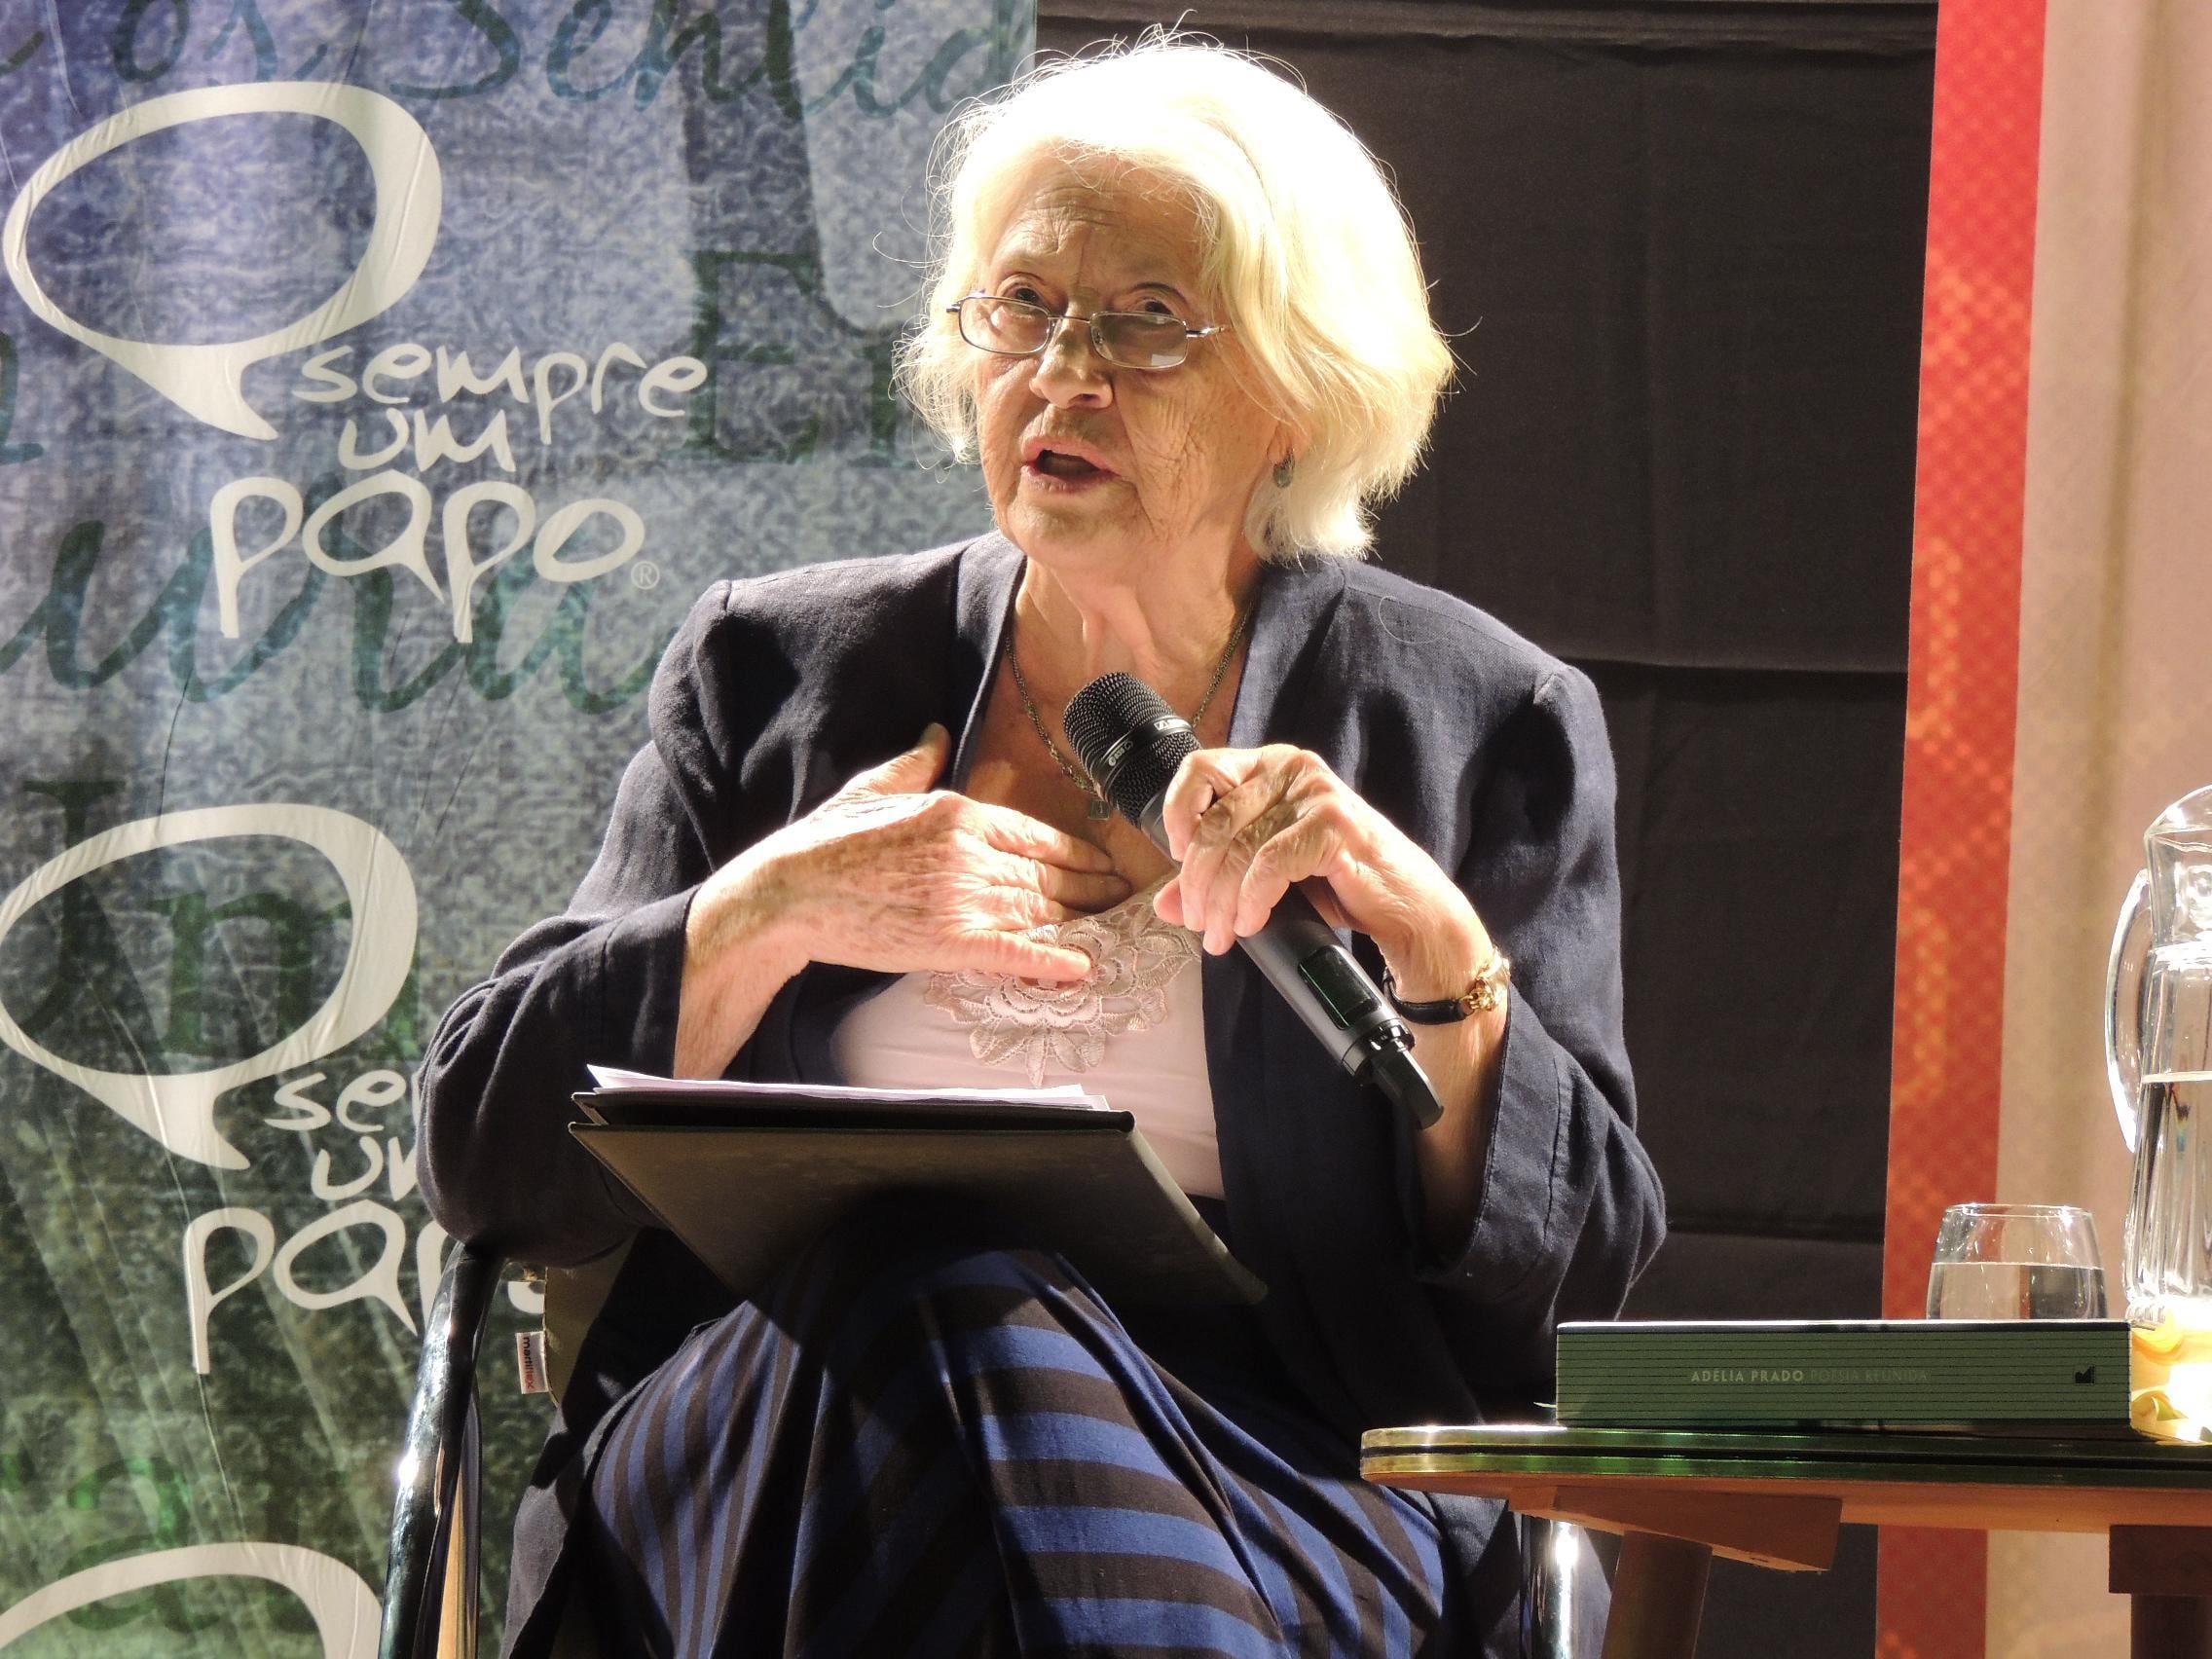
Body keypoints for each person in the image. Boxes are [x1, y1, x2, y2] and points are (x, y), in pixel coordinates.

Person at [420, 34, 1664, 1658]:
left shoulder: (1473, 719)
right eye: (1023, 306)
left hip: (1265, 1473)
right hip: (774, 1437)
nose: (1066, 372)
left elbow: (1571, 1291)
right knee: (933, 1294)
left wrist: (1442, 963)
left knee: (970, 1340)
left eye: (1145, 320)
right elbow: (487, 1157)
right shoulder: (773, 675)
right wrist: (760, 912)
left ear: (1296, 392)